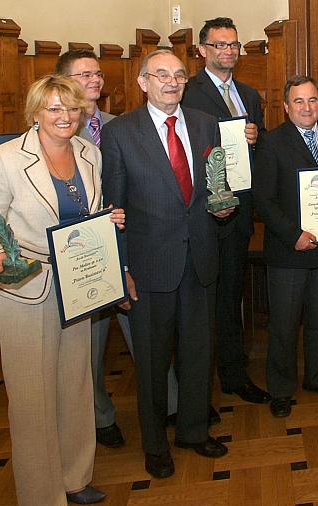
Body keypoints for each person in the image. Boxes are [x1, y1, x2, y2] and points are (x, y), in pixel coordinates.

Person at [0, 74, 124, 506]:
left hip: (78, 284)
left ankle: (74, 477)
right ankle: (43, 504)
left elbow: (88, 215)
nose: (65, 117)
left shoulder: (89, 153)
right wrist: (0, 255)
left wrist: (109, 219)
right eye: (54, 109)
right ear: (35, 113)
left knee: (74, 384)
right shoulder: (3, 159)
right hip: (27, 287)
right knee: (32, 399)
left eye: (73, 108)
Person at [101, 50, 234, 479]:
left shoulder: (203, 123)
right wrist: (122, 269)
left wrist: (222, 206)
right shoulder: (121, 133)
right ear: (143, 82)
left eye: (178, 75)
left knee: (199, 355)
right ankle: (155, 444)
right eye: (161, 75)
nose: (171, 82)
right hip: (149, 267)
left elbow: (217, 186)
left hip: (200, 260)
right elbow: (113, 208)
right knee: (154, 364)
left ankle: (193, 431)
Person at [56, 48, 182, 448]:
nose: (94, 80)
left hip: (132, 250)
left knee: (147, 338)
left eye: (97, 74)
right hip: (85, 256)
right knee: (90, 348)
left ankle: (171, 406)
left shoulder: (119, 125)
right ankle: (99, 416)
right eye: (83, 74)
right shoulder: (58, 130)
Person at [252, 75, 318, 418]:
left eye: (312, 100)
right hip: (289, 250)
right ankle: (281, 389)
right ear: (285, 107)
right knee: (283, 325)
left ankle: (317, 377)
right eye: (298, 101)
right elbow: (263, 200)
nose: (306, 107)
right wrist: (292, 234)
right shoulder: (271, 142)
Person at [182, 17, 270, 409]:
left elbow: (260, 147)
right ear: (202, 50)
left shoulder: (249, 95)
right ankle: (196, 392)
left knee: (232, 297)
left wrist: (255, 137)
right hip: (202, 212)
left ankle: (233, 376)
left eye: (233, 45)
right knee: (199, 303)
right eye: (219, 45)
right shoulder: (187, 93)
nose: (228, 51)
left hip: (239, 211)